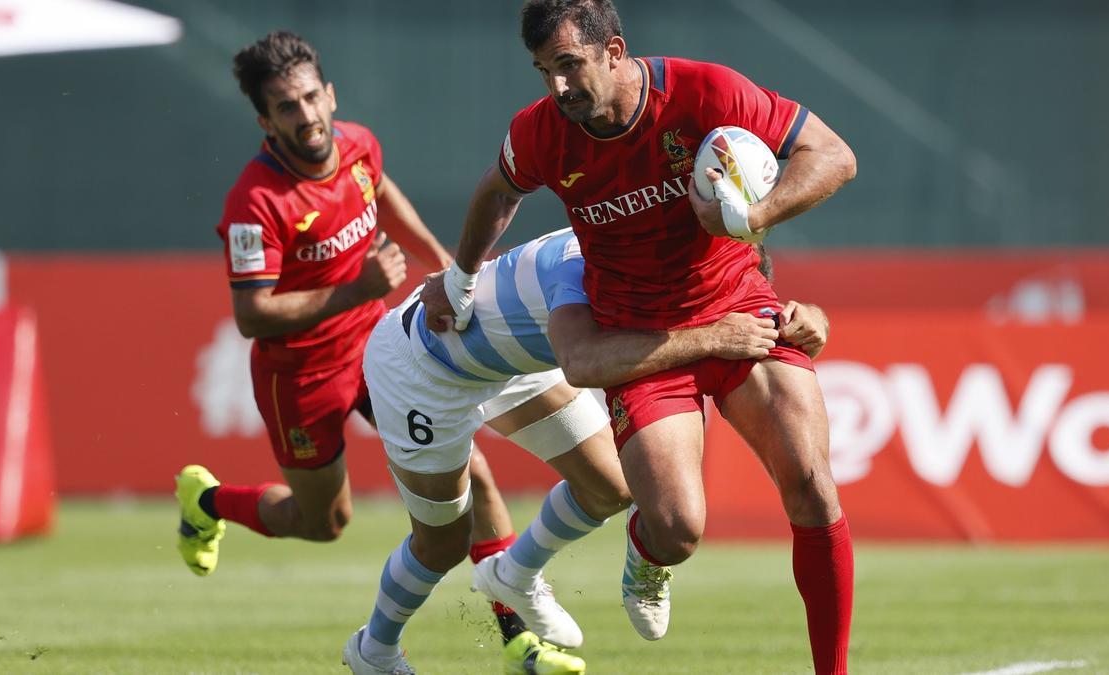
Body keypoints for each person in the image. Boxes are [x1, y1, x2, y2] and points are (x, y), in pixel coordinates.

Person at [421, 2, 857, 673]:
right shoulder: (542, 132)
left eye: (569, 65)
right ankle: (648, 554)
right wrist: (458, 276)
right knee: (679, 529)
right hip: (640, 337)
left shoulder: (705, 92)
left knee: (812, 486)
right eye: (544, 71)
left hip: (738, 304)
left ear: (615, 51)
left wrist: (755, 214)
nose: (557, 87)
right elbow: (497, 191)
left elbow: (833, 155)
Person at [173, 31, 566, 671]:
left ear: (329, 94)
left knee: (467, 471)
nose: (305, 117)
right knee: (322, 521)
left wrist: (448, 269)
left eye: (309, 98)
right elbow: (252, 315)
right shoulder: (256, 203)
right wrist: (351, 287)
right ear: (265, 122)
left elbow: (380, 193)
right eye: (286, 108)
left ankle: (518, 636)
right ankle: (206, 502)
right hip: (297, 375)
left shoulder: (359, 146)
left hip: (378, 348)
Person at [343, 227, 830, 674]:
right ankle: (375, 651)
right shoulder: (591, 267)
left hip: (511, 355)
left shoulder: (662, 261)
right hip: (423, 367)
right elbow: (585, 363)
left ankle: (512, 573)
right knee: (443, 543)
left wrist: (810, 318)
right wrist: (716, 336)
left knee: (613, 486)